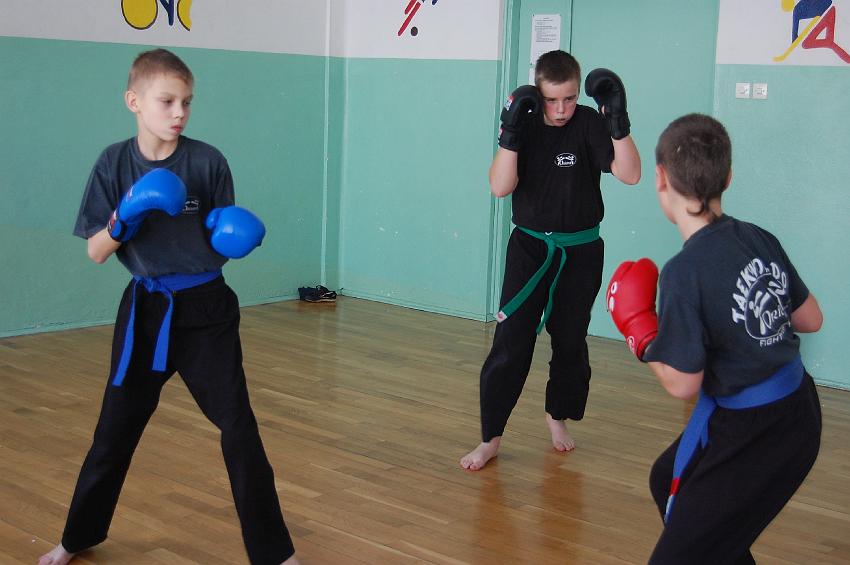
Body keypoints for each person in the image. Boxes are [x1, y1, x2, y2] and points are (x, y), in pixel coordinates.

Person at [39, 49, 300, 565]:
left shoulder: (208, 161)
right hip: (146, 310)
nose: (179, 112)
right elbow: (96, 252)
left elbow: (220, 240)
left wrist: (232, 238)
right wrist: (125, 214)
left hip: (208, 310)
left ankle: (275, 554)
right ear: (134, 101)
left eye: (187, 102)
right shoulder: (113, 164)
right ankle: (75, 538)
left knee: (239, 430)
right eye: (167, 101)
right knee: (114, 431)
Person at [606, 113, 823, 563]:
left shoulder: (684, 272)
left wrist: (640, 333)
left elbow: (683, 384)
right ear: (728, 176)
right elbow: (810, 319)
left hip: (756, 431)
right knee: (666, 479)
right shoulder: (757, 237)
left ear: (660, 178)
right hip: (799, 410)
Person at [460, 50, 641, 471]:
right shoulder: (524, 124)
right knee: (511, 342)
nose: (561, 110)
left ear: (579, 94)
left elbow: (630, 174)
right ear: (537, 92)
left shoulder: (590, 123)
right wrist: (509, 133)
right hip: (530, 250)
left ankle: (557, 416)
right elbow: (500, 187)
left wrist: (618, 121)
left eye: (570, 99)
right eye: (552, 100)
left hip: (581, 250)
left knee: (571, 341)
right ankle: (490, 438)